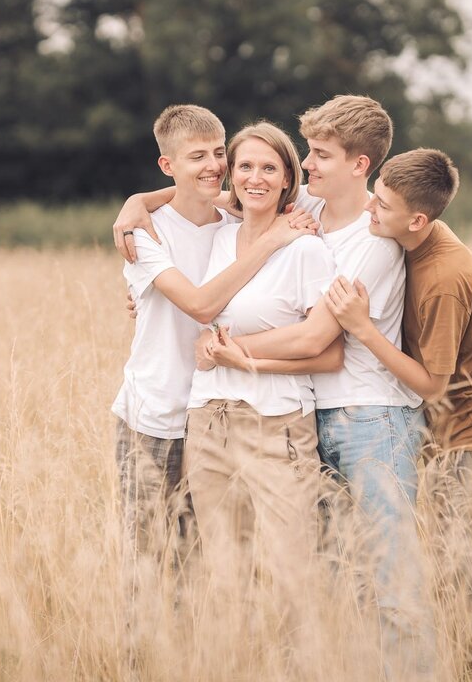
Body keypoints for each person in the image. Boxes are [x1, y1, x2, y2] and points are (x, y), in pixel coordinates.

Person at [198, 95, 435, 679]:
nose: (307, 164)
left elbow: (315, 339)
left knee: (390, 577)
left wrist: (229, 349)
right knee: (331, 571)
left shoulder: (375, 241)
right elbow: (235, 185)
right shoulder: (308, 208)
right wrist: (133, 207)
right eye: (306, 153)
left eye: (320, 155)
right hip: (312, 416)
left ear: (360, 166)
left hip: (372, 418)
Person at [111, 105, 316, 626]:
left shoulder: (230, 217)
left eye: (218, 153)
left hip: (213, 418)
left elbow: (259, 187)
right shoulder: (145, 234)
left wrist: (143, 194)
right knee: (148, 563)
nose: (213, 165)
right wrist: (139, 202)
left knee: (206, 569)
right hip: (154, 418)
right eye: (196, 156)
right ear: (167, 165)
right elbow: (201, 306)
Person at [324, 147, 472, 674]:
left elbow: (434, 386)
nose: (370, 209)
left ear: (417, 219)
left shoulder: (443, 278)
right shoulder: (410, 234)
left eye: (382, 206)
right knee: (451, 562)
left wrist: (362, 328)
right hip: (443, 435)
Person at [185, 121, 342, 648]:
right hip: (209, 421)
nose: (255, 177)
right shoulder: (217, 235)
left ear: (286, 179)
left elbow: (325, 346)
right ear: (231, 174)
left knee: (289, 575)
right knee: (227, 576)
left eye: (268, 167)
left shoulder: (305, 249)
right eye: (245, 166)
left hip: (276, 427)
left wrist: (239, 353)